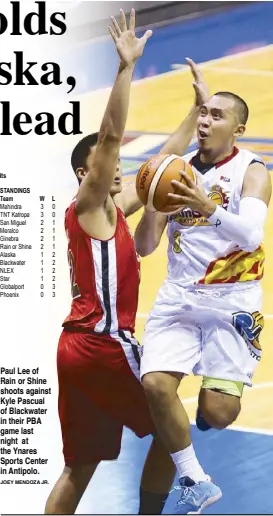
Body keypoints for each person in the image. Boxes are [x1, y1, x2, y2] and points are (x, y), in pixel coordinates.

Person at [44, 11, 208, 516]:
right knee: (169, 426)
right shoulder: (88, 204)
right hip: (103, 343)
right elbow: (111, 136)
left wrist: (194, 115)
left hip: (77, 348)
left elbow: (160, 165)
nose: (120, 167)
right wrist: (125, 69)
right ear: (86, 171)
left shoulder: (112, 212)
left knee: (80, 467)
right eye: (108, 163)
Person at [135, 89, 271, 514]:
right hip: (179, 297)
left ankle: (197, 422)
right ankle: (195, 478)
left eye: (217, 115)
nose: (205, 121)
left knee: (219, 412)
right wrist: (153, 204)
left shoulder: (252, 170)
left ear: (238, 129)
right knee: (155, 384)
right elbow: (145, 246)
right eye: (203, 113)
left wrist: (204, 206)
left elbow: (251, 235)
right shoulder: (175, 172)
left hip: (233, 299)